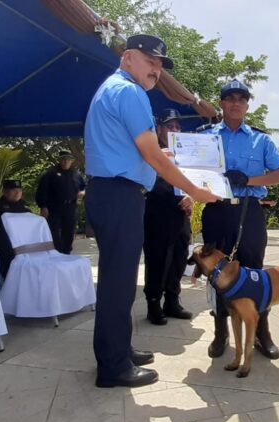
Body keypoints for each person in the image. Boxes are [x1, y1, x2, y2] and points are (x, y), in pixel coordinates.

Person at [84, 34, 219, 389]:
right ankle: (112, 366)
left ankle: (119, 350)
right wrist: (194, 190)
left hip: (112, 192)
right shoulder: (130, 92)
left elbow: (134, 149)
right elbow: (150, 153)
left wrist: (164, 158)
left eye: (160, 66)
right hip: (119, 195)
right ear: (128, 58)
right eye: (150, 62)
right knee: (117, 282)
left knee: (121, 280)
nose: (156, 71)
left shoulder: (113, 88)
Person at [201, 79, 279, 360]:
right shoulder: (205, 136)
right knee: (216, 272)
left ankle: (262, 334)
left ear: (248, 105)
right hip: (217, 209)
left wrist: (249, 179)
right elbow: (189, 169)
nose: (236, 102)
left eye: (242, 98)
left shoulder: (260, 139)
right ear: (222, 103)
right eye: (230, 98)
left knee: (254, 273)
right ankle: (220, 333)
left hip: (249, 211)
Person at [143, 108, 193, 325]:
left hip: (180, 214)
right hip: (157, 213)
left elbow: (195, 182)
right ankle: (153, 304)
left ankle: (172, 301)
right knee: (158, 260)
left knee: (179, 259)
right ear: (159, 129)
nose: (174, 130)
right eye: (169, 126)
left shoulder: (185, 154)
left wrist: (191, 196)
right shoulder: (150, 152)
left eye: (177, 127)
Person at [35, 150, 85, 254]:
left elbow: (84, 187)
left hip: (70, 207)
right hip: (54, 207)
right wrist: (43, 206)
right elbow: (42, 191)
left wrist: (83, 192)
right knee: (54, 232)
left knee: (69, 232)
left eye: (68, 160)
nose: (65, 162)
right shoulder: (50, 174)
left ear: (72, 161)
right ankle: (55, 253)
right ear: (59, 160)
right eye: (63, 159)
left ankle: (66, 253)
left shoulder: (76, 174)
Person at [0, 179, 32, 277]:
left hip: (24, 238)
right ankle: (9, 277)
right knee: (7, 245)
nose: (17, 192)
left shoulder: (24, 206)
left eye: (19, 189)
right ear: (5, 192)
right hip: (5, 238)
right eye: (13, 189)